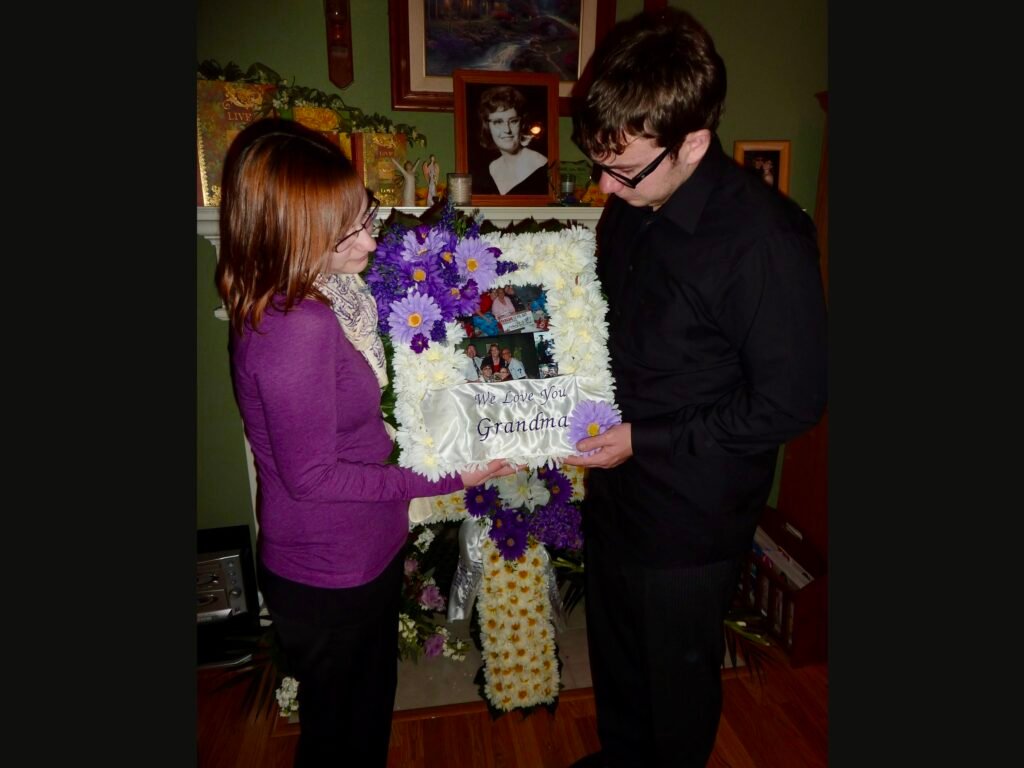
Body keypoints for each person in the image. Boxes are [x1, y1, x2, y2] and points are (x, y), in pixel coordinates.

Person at [563, 9, 827, 768]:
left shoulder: (764, 240)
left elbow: (792, 401)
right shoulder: (631, 206)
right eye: (598, 163)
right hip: (618, 488)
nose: (604, 187)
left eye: (622, 170)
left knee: (674, 685)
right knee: (617, 656)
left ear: (694, 143)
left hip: (690, 513)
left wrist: (643, 440)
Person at [215, 118, 517, 768]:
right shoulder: (296, 326)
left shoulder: (327, 293)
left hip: (358, 553)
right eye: (346, 232)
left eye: (365, 216)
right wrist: (451, 477)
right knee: (343, 742)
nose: (370, 239)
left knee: (362, 723)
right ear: (289, 236)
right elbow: (315, 478)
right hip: (330, 570)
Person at [474, 85, 549, 196]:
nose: (507, 130)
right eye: (498, 122)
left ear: (522, 123)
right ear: (487, 126)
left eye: (513, 121)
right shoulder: (492, 168)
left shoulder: (540, 164)